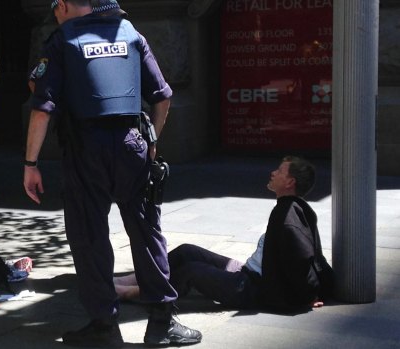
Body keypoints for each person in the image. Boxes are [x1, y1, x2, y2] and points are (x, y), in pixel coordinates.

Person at [24, 0, 201, 347]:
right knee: (146, 230)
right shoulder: (131, 34)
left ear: (63, 6)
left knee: (89, 237)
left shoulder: (62, 40)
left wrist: (30, 165)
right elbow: (162, 98)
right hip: (131, 145)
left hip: (85, 151)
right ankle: (162, 323)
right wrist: (151, 143)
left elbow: (42, 109)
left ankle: (104, 325)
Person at [114, 156, 335, 313]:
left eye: (279, 171)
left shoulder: (288, 218)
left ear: (289, 182)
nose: (273, 173)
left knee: (191, 271)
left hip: (250, 289)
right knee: (186, 251)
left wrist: (307, 297)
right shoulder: (292, 209)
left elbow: (304, 260)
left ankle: (137, 293)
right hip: (247, 272)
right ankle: (138, 277)